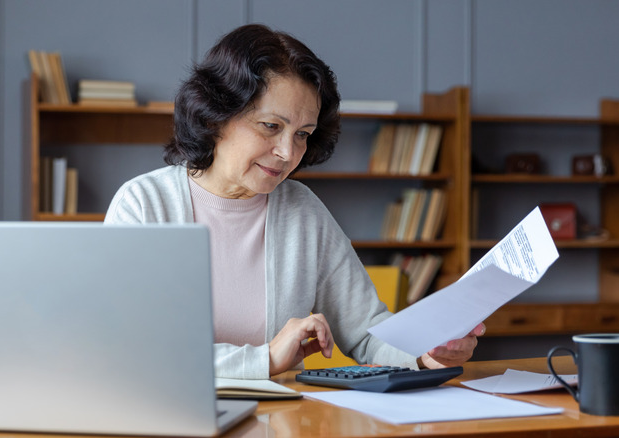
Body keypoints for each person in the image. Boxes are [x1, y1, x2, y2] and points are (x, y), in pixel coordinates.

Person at [104, 23, 484, 379]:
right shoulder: (144, 205)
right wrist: (264, 360)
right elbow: (134, 351)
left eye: (303, 134)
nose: (288, 152)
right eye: (271, 127)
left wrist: (426, 355)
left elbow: (366, 334)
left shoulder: (302, 210)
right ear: (215, 117)